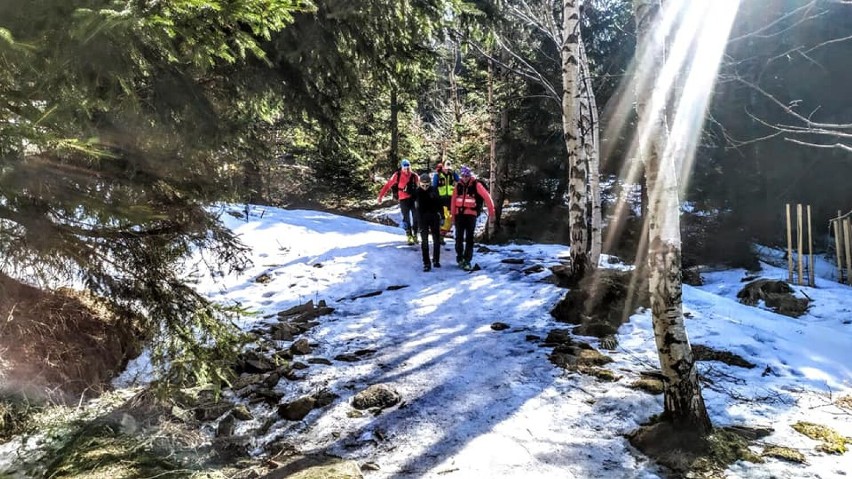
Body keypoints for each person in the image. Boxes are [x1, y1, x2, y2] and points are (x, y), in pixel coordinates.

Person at [450, 166, 495, 271]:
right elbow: (453, 201)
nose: (465, 178)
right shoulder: (458, 186)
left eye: (467, 176)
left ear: (470, 175)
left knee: (469, 239)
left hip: (471, 215)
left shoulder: (476, 185)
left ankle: (467, 260)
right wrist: (453, 216)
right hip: (459, 215)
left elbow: (487, 197)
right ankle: (460, 257)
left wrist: (491, 213)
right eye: (463, 176)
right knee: (458, 238)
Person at [378, 159, 420, 244]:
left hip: (413, 198)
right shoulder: (397, 175)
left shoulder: (414, 175)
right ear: (402, 167)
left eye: (408, 166)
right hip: (403, 199)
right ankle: (409, 236)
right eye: (405, 167)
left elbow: (421, 186)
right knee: (406, 218)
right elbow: (387, 185)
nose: (406, 169)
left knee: (416, 217)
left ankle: (415, 234)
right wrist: (380, 196)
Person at [414, 172, 442, 271]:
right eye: (423, 185)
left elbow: (440, 204)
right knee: (424, 241)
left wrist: (441, 215)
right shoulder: (417, 192)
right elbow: (414, 207)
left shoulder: (434, 190)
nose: (425, 187)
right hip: (422, 219)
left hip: (434, 217)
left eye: (427, 185)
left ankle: (436, 260)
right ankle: (426, 263)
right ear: (419, 184)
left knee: (436, 240)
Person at [432, 161, 460, 238]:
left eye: (448, 168)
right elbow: (434, 187)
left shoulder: (453, 174)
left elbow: (460, 181)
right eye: (445, 168)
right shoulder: (437, 175)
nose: (447, 170)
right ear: (442, 167)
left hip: (451, 198)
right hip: (441, 198)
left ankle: (443, 232)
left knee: (450, 216)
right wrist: (435, 197)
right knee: (444, 216)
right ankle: (441, 234)